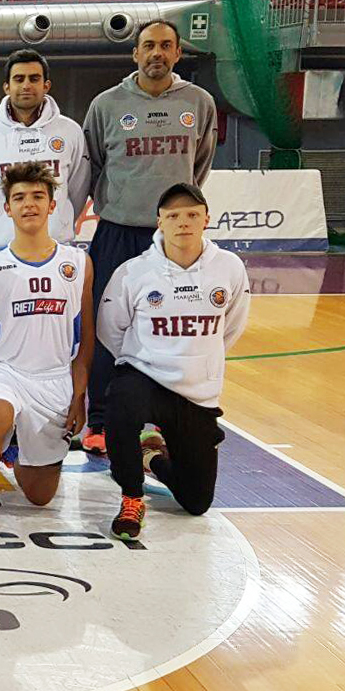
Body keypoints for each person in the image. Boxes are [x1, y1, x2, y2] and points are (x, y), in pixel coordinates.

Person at [80, 22, 218, 453]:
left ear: (178, 53)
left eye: (165, 46)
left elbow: (199, 165)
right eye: (148, 46)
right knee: (106, 327)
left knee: (166, 328)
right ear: (135, 54)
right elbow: (92, 165)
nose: (156, 53)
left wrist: (172, 214)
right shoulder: (106, 104)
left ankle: (159, 422)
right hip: (117, 232)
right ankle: (100, 421)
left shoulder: (199, 102)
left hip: (171, 239)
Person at [96, 183, 250, 541]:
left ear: (206, 219)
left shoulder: (229, 267)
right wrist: (139, 361)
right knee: (121, 402)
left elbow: (232, 327)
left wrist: (200, 361)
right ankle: (132, 497)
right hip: (145, 377)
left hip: (196, 393)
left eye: (192, 214)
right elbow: (109, 329)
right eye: (174, 216)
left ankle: (151, 456)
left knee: (196, 502)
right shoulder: (134, 271)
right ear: (159, 222)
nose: (183, 222)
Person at [0, 162, 93, 531]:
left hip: (54, 380)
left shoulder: (78, 263)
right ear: (7, 208)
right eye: (19, 198)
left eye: (37, 196)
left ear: (52, 205)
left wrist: (79, 395)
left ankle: (14, 447)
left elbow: (85, 337)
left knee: (40, 495)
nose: (28, 204)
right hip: (4, 371)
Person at [0, 49, 89, 252]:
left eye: (34, 79)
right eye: (19, 79)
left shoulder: (70, 131)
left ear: (46, 85)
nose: (26, 85)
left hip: (54, 248)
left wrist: (58, 222)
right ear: (6, 86)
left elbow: (77, 189)